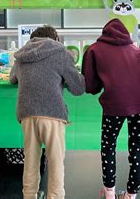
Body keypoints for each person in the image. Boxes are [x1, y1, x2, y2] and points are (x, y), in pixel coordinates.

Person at [82, 18, 140, 199]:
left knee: (108, 146)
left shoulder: (94, 50)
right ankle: (131, 195)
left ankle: (109, 193)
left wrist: (103, 84)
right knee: (137, 147)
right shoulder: (137, 50)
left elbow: (90, 86)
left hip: (114, 103)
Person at [10, 25, 85, 199]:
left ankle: (29, 196)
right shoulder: (61, 52)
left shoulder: (21, 55)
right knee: (55, 161)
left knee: (30, 160)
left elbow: (12, 79)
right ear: (56, 39)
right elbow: (78, 88)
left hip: (26, 112)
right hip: (52, 112)